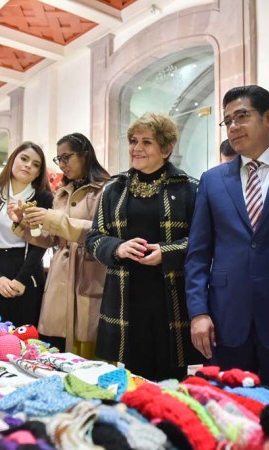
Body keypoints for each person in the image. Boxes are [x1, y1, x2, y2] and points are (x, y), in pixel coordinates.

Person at [185, 85, 269, 385]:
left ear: (268, 118)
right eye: (227, 120)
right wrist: (198, 312)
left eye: (242, 116)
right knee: (227, 403)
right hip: (226, 317)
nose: (233, 127)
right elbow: (198, 254)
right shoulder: (212, 180)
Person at [86, 112, 200, 381]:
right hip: (126, 298)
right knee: (133, 380)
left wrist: (166, 253)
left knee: (171, 381)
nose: (136, 148)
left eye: (147, 142)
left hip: (171, 299)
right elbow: (93, 238)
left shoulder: (189, 188)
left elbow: (202, 242)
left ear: (166, 149)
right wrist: (117, 248)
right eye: (133, 141)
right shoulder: (114, 188)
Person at [7, 133, 110, 357]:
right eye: (58, 159)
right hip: (61, 274)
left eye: (66, 157)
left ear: (85, 155)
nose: (62, 164)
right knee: (56, 347)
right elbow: (50, 238)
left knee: (87, 346)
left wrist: (52, 219)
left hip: (89, 272)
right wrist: (22, 222)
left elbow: (101, 231)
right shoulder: (62, 192)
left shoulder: (106, 189)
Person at [0, 142, 53, 327]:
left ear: (38, 173)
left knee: (25, 337)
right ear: (12, 160)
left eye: (35, 164)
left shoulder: (44, 198)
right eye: (24, 159)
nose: (28, 165)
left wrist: (22, 279)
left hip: (27, 273)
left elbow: (42, 242)